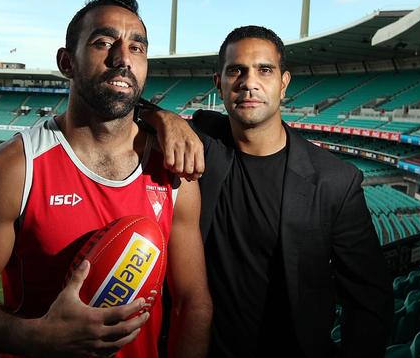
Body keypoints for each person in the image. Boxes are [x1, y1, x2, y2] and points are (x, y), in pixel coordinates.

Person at [0, 0, 211, 358]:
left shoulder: (174, 172)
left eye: (137, 47)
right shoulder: (13, 169)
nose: (122, 59)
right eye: (103, 43)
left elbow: (192, 302)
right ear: (67, 61)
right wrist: (36, 337)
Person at [143, 25, 393, 358]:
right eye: (236, 71)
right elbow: (118, 101)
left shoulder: (335, 180)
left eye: (264, 70)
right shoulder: (203, 142)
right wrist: (161, 116)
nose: (249, 82)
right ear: (218, 83)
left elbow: (369, 301)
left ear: (283, 83)